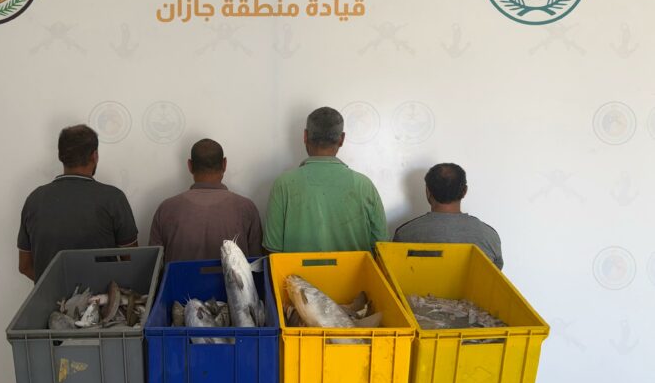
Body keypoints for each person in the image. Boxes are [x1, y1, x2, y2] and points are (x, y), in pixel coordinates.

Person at [17, 125, 139, 282]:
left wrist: (54, 285)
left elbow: (24, 266)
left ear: (60, 156)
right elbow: (132, 262)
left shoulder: (34, 199)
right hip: (101, 296)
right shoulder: (113, 198)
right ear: (94, 156)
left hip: (49, 297)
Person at [263, 107, 388, 253]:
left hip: (296, 269)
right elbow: (382, 247)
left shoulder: (283, 184)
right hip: (353, 269)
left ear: (305, 136)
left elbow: (272, 251)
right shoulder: (364, 185)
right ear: (341, 139)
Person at [149, 139, 262, 262]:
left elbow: (155, 265)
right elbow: (257, 264)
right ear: (224, 164)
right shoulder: (247, 208)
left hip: (180, 276)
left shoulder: (165, 209)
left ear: (190, 166)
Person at [393, 163, 503, 269]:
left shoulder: (405, 234)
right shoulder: (490, 236)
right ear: (464, 191)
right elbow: (495, 274)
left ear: (428, 192)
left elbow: (395, 271)